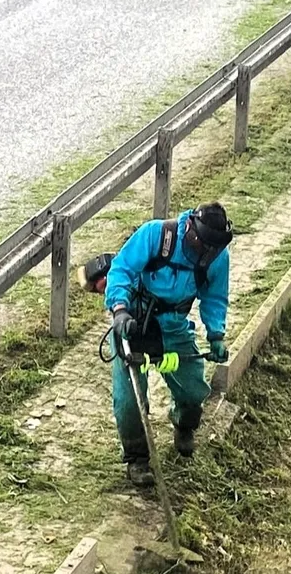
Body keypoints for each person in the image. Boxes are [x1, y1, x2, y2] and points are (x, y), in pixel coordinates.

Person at [103, 202, 233, 486]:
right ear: (190, 229)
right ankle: (137, 458)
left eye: (214, 249)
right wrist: (120, 309)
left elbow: (215, 297)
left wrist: (216, 335)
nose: (207, 254)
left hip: (173, 325)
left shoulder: (217, 258)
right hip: (135, 318)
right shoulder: (156, 235)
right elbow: (121, 269)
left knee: (193, 388)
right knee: (129, 400)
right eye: (204, 247)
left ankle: (184, 423)